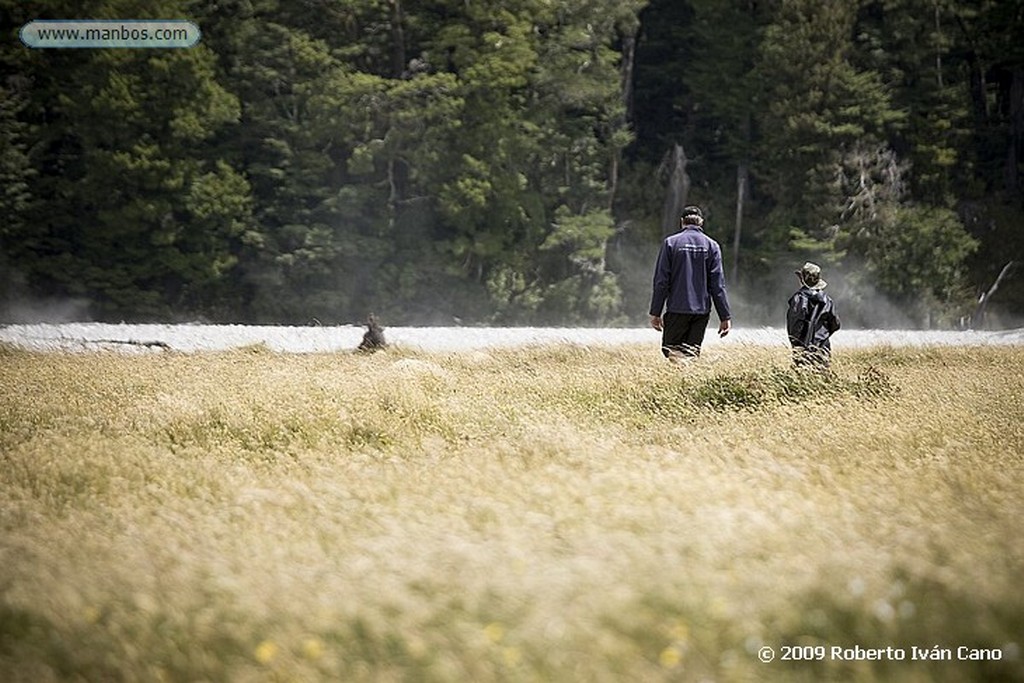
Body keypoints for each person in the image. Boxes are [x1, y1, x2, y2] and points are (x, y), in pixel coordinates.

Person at [649, 205, 732, 358]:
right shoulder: (712, 246)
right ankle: (686, 376)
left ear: (682, 222)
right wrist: (724, 316)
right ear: (701, 222)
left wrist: (655, 311)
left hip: (677, 308)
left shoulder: (670, 243)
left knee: (670, 349)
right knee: (691, 353)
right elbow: (718, 285)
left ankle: (683, 373)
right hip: (701, 311)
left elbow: (661, 281)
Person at [787, 262, 841, 368]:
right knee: (821, 379)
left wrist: (797, 345)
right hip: (823, 349)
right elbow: (835, 324)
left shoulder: (799, 299)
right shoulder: (827, 300)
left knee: (802, 380)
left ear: (802, 280)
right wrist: (822, 336)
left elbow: (794, 327)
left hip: (803, 350)